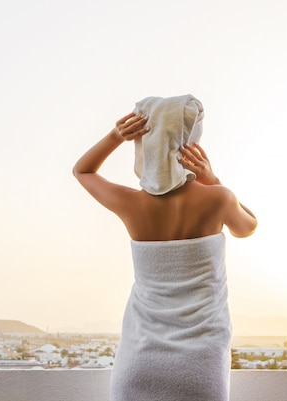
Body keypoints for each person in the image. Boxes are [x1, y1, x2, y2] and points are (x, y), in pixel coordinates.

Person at [73, 95, 257, 401]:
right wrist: (214, 181)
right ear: (191, 139)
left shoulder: (130, 204)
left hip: (139, 361)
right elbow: (248, 227)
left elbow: (83, 171)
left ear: (144, 143)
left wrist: (115, 136)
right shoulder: (218, 199)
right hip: (201, 364)